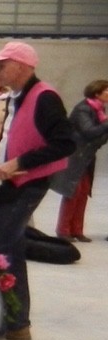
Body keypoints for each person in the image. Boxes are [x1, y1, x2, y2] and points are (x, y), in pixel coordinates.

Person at [0, 41, 75, 340]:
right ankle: (18, 325)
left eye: (2, 64)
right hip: (11, 182)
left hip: (29, 182)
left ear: (20, 66)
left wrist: (19, 162)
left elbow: (65, 143)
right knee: (12, 249)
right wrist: (0, 153)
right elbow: (19, 134)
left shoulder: (45, 97)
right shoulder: (17, 96)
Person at [53, 80, 108, 242]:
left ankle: (77, 229)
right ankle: (63, 230)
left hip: (87, 156)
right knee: (73, 192)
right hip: (76, 156)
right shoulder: (83, 108)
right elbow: (89, 131)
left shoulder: (99, 109)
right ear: (97, 93)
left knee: (83, 192)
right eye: (106, 91)